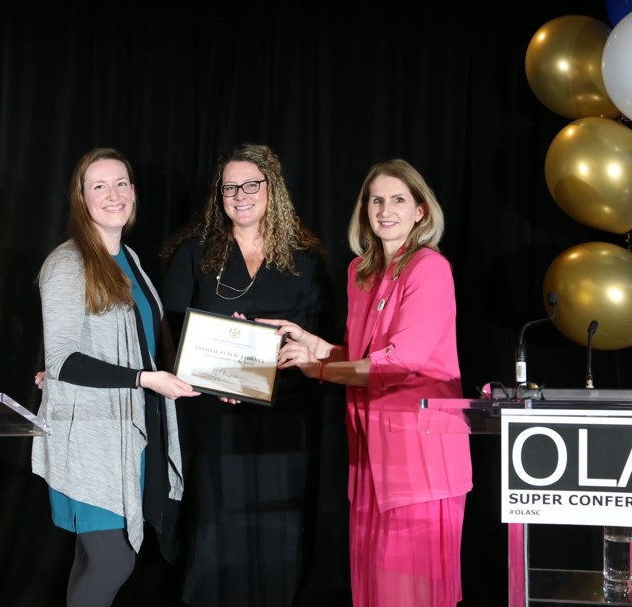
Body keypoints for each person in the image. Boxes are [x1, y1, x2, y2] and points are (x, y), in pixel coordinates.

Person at [261, 159, 472, 607]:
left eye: (398, 199)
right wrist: (315, 345)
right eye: (376, 199)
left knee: (410, 595)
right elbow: (362, 358)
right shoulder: (363, 272)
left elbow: (400, 364)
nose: (385, 209)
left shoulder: (428, 268)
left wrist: (317, 369)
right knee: (376, 590)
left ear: (420, 211)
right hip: (371, 459)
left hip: (420, 462)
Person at [159, 143, 340, 606]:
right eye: (229, 187)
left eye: (250, 185)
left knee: (279, 528)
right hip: (214, 418)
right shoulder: (195, 253)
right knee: (214, 525)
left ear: (271, 189)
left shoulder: (306, 257)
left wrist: (290, 351)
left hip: (287, 419)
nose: (240, 195)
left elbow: (325, 338)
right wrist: (219, 375)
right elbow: (169, 336)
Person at [31, 147, 199, 607]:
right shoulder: (68, 264)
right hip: (90, 440)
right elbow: (63, 359)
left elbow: (146, 345)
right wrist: (146, 380)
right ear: (81, 199)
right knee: (110, 561)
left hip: (124, 433)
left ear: (134, 193)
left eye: (121, 183)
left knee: (95, 562)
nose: (113, 194)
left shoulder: (131, 261)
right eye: (98, 186)